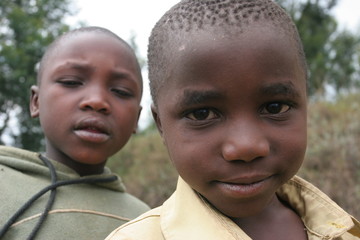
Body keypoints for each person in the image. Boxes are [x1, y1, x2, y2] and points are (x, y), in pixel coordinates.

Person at [105, 0, 360, 239]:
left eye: (275, 106)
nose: (246, 146)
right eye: (202, 114)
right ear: (161, 125)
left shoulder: (343, 231)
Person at [0, 26, 149, 240]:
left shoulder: (146, 219)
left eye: (120, 91)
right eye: (71, 82)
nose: (97, 101)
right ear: (36, 101)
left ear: (136, 118)